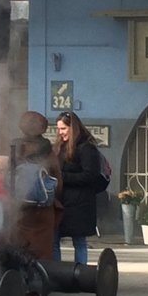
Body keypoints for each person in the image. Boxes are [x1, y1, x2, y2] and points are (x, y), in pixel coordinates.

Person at [8, 111, 62, 260]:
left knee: (18, 248)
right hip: (43, 210)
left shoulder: (14, 148)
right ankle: (41, 278)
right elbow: (57, 181)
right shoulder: (49, 152)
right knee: (42, 250)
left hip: (19, 209)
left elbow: (7, 178)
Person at [53, 111, 102, 265]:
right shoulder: (60, 148)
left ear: (73, 128)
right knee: (54, 240)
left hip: (80, 203)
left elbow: (90, 175)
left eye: (63, 129)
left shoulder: (87, 148)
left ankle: (81, 274)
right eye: (59, 129)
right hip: (62, 202)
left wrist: (63, 177)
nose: (60, 133)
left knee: (79, 242)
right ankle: (57, 274)